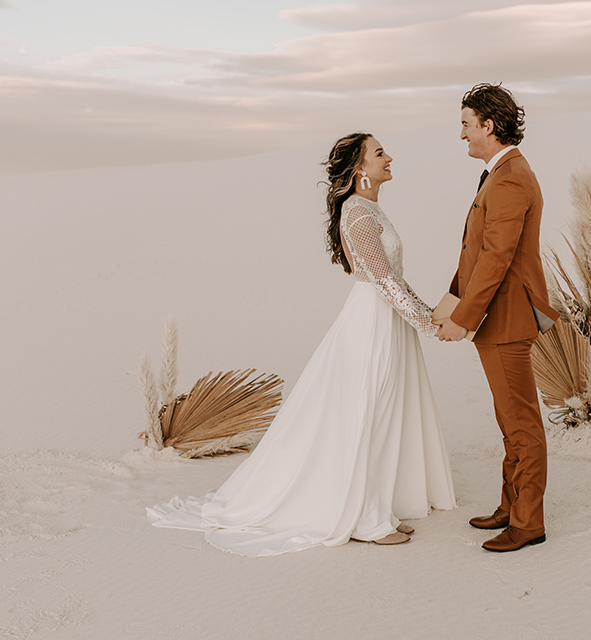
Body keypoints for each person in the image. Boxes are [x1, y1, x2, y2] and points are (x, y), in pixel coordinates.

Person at [147, 133, 456, 556]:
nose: (390, 158)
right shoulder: (358, 213)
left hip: (387, 319)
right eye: (380, 153)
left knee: (384, 413)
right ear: (360, 168)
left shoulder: (369, 208)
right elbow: (383, 280)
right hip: (372, 323)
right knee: (368, 413)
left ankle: (373, 505)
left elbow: (393, 279)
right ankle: (364, 518)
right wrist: (428, 322)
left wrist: (430, 315)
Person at [434, 83, 559, 553]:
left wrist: (465, 318)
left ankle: (528, 522)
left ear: (489, 125)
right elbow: (477, 250)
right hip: (496, 316)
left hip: (506, 319)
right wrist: (451, 301)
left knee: (520, 421)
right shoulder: (501, 172)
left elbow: (496, 258)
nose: (461, 134)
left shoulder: (508, 178)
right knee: (509, 418)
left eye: (466, 124)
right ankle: (510, 506)